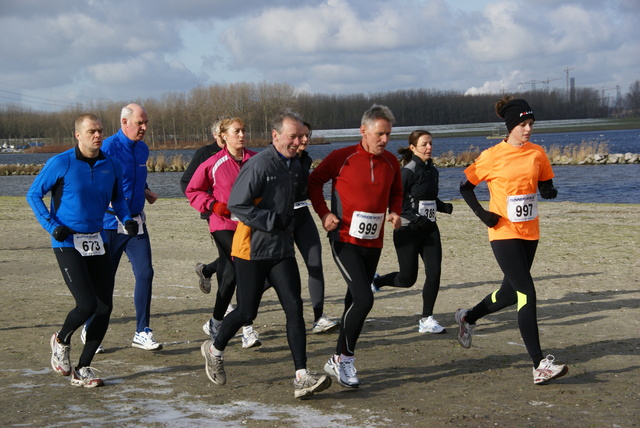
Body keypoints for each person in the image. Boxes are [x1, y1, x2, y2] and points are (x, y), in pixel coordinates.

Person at [199, 109, 331, 399]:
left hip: (281, 249)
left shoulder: (296, 165)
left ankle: (301, 375)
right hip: (250, 249)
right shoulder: (258, 165)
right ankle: (215, 348)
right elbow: (237, 205)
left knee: (294, 308)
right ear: (275, 136)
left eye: (302, 137)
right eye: (293, 137)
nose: (299, 141)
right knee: (247, 311)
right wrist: (273, 221)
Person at [456, 96, 568, 385]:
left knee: (507, 294)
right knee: (526, 292)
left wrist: (548, 190)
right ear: (510, 126)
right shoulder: (492, 156)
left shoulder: (537, 153)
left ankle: (468, 318)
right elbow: (465, 186)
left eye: (531, 123)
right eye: (523, 124)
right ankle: (539, 365)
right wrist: (484, 215)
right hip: (503, 232)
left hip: (530, 233)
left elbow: (544, 181)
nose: (528, 129)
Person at [27, 114, 138, 387]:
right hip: (66, 242)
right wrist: (53, 227)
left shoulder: (111, 164)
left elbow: (118, 199)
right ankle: (61, 339)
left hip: (96, 240)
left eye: (100, 130)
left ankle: (83, 368)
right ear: (78, 135)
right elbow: (33, 194)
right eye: (91, 131)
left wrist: (126, 219)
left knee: (104, 308)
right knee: (86, 304)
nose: (97, 135)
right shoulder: (61, 162)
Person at [308, 104, 403, 388]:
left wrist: (395, 211)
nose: (384, 140)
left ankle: (338, 359)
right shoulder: (342, 157)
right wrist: (324, 213)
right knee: (365, 299)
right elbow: (314, 182)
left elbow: (397, 191)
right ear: (364, 131)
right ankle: (345, 358)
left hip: (373, 242)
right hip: (344, 239)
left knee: (353, 302)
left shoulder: (391, 162)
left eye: (388, 134)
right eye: (380, 134)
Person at [89, 103, 161, 351]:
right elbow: (94, 180)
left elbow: (134, 178)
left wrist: (146, 190)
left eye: (146, 123)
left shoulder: (143, 149)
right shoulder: (107, 147)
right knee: (104, 278)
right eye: (140, 123)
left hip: (135, 222)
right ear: (124, 122)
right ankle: (91, 328)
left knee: (145, 273)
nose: (144, 127)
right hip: (110, 222)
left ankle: (142, 331)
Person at [186, 117, 262, 349]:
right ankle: (247, 328)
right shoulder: (213, 162)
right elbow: (192, 189)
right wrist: (212, 206)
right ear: (224, 136)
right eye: (236, 131)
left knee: (228, 276)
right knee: (242, 266)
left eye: (244, 130)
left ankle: (216, 322)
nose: (242, 135)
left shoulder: (256, 159)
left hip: (249, 225)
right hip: (223, 224)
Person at [372, 130, 453, 334]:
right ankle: (376, 281)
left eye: (431, 144)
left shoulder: (432, 170)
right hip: (407, 230)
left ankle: (427, 319)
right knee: (408, 279)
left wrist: (443, 207)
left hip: (429, 229)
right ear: (413, 147)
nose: (429, 147)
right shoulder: (407, 171)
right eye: (424, 144)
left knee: (434, 273)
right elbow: (396, 200)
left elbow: (427, 199)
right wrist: (417, 219)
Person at [295, 121, 338, 334]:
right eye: (300, 136)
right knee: (271, 274)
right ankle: (244, 315)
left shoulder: (306, 158)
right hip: (278, 220)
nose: (304, 140)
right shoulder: (272, 159)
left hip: (302, 214)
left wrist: (325, 213)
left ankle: (318, 318)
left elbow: (312, 189)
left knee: (315, 264)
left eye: (307, 136)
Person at [180, 117, 229, 296]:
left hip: (238, 213)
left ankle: (207, 271)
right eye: (222, 132)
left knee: (234, 255)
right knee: (228, 256)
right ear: (216, 134)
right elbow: (187, 182)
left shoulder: (238, 153)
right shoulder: (205, 153)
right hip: (214, 213)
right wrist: (206, 202)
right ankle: (225, 303)